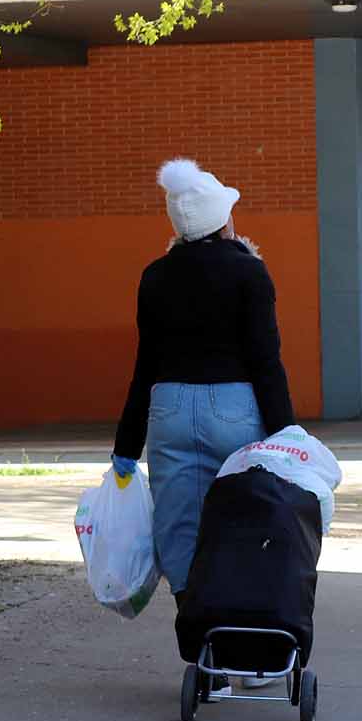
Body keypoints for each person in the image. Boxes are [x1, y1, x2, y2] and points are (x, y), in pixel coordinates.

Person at [112, 158, 295, 609]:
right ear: (223, 220)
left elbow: (146, 363)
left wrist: (126, 445)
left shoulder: (155, 276)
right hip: (235, 409)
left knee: (178, 527)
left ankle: (197, 635)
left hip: (168, 408)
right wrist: (288, 435)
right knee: (244, 517)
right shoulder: (249, 273)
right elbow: (265, 361)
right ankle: (242, 641)